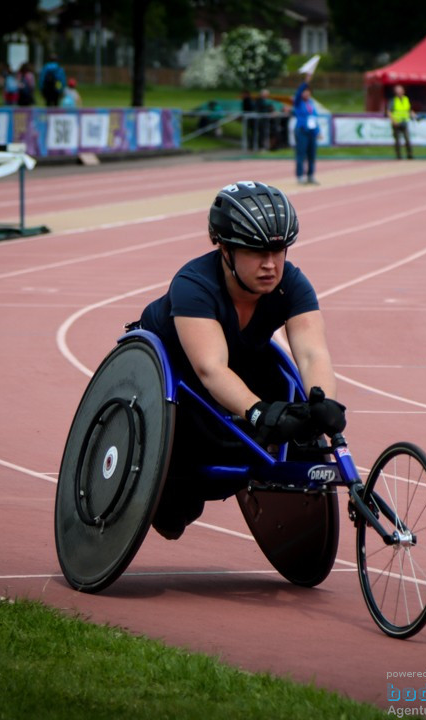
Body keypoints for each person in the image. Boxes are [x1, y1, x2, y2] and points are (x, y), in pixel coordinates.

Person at [136, 181, 346, 539]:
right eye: (256, 253)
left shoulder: (291, 283)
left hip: (240, 364)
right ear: (226, 250)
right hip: (176, 381)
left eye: (279, 252)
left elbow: (312, 351)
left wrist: (322, 403)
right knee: (174, 514)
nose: (270, 265)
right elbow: (210, 368)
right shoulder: (194, 284)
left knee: (294, 408)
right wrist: (260, 411)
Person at [293, 74, 320, 184]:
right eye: (305, 91)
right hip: (302, 131)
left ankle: (311, 175)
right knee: (301, 154)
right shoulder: (298, 103)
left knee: (312, 154)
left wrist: (318, 131)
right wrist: (306, 81)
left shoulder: (311, 103)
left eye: (308, 91)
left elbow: (314, 118)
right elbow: (298, 93)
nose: (306, 93)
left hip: (312, 132)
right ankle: (300, 176)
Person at [387, 84, 417, 160]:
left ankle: (409, 155)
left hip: (404, 122)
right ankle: (398, 156)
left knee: (407, 140)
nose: (399, 92)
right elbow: (389, 111)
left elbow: (408, 109)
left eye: (400, 91)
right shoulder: (393, 101)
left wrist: (412, 113)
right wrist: (393, 120)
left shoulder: (406, 99)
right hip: (396, 122)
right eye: (398, 91)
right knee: (397, 141)